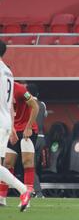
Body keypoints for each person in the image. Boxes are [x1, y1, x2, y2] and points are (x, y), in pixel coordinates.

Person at [0, 40, 32, 211]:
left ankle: (23, 190)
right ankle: (24, 190)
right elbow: (9, 103)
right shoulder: (8, 72)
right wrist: (12, 126)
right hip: (4, 121)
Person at [0, 81, 39, 207]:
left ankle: (27, 199)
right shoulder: (2, 92)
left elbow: (35, 106)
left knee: (27, 162)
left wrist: (28, 127)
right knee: (7, 163)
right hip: (13, 130)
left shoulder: (20, 89)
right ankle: (1, 198)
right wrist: (11, 129)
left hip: (27, 129)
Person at [23, 83, 46, 198]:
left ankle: (37, 192)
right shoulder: (42, 104)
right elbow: (44, 117)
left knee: (29, 166)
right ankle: (33, 190)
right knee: (34, 166)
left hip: (33, 137)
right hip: (42, 139)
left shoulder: (27, 103)